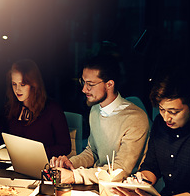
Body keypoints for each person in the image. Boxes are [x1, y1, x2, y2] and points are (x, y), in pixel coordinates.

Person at [50, 55, 150, 184]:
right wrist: (71, 163)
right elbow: (92, 152)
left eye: (90, 84)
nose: (84, 89)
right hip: (99, 184)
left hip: (125, 190)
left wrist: (74, 176)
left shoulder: (135, 119)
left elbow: (120, 170)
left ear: (109, 84)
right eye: (83, 82)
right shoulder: (95, 109)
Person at [112, 71, 190, 196]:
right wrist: (139, 183)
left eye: (173, 112)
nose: (166, 118)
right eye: (161, 109)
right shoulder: (161, 124)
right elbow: (151, 166)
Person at [0, 59, 71, 160]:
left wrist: (37, 153)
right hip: (12, 165)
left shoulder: (52, 109)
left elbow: (65, 147)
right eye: (14, 84)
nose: (17, 89)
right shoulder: (10, 108)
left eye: (22, 84)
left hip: (41, 165)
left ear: (34, 84)